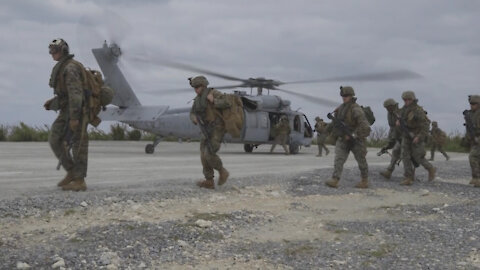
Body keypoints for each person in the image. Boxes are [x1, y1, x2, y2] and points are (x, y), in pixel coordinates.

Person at [44, 38, 89, 191]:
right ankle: (71, 171)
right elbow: (66, 94)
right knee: (54, 138)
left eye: (54, 50)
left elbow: (76, 95)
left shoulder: (70, 68)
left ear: (63, 51)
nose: (51, 54)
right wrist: (53, 102)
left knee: (78, 143)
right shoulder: (63, 67)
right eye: (50, 51)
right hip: (67, 110)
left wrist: (75, 118)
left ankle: (80, 180)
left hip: (78, 111)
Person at [325, 86, 371, 188]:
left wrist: (354, 135)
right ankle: (335, 179)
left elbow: (365, 127)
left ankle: (364, 180)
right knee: (339, 158)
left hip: (357, 139)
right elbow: (335, 122)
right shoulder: (341, 108)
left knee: (361, 160)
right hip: (343, 138)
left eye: (346, 96)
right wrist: (327, 130)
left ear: (351, 96)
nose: (344, 97)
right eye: (343, 96)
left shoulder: (356, 109)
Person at [189, 75, 229, 189]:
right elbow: (191, 113)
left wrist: (214, 101)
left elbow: (227, 102)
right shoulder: (197, 100)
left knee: (209, 154)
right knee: (203, 155)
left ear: (203, 86)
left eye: (197, 87)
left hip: (217, 129)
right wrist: (194, 119)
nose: (196, 90)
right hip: (205, 129)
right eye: (194, 88)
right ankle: (209, 180)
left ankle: (222, 171)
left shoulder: (214, 93)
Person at [396, 91, 436, 185]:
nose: (406, 101)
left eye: (408, 99)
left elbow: (426, 124)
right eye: (405, 100)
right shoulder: (403, 110)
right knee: (405, 155)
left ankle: (430, 169)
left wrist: (419, 136)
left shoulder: (418, 110)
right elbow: (400, 120)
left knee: (418, 156)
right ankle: (408, 177)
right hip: (406, 135)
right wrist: (398, 123)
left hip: (417, 135)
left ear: (413, 99)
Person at [378, 99, 402, 179]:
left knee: (405, 155)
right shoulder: (390, 114)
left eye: (388, 107)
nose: (387, 109)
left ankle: (411, 175)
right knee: (396, 152)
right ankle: (389, 172)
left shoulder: (400, 113)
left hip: (404, 137)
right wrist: (388, 144)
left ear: (392, 106)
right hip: (397, 136)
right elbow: (392, 129)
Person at [466, 95, 480, 187]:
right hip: (474, 139)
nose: (471, 105)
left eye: (474, 103)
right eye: (470, 103)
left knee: (472, 156)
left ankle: (476, 178)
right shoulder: (470, 114)